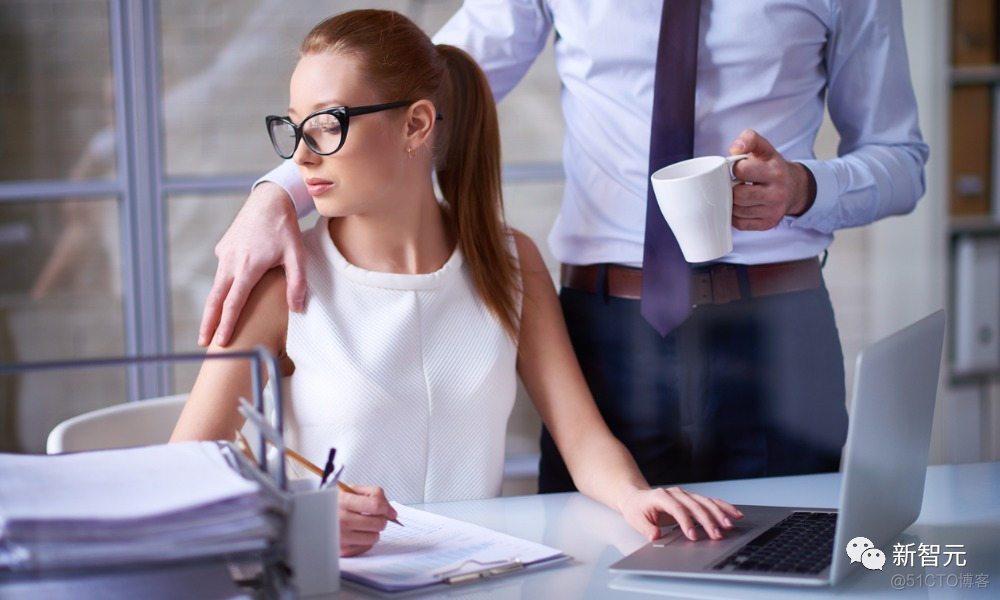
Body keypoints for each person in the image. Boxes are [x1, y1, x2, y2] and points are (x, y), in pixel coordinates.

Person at [197, 2, 929, 493]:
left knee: (798, 558)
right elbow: (408, 84)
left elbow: (902, 157)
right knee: (602, 561)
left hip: (779, 329)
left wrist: (804, 187)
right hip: (609, 333)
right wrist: (276, 190)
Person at [171, 9, 741, 557]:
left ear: (416, 124)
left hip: (480, 579)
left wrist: (633, 495)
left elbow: (583, 438)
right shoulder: (280, 282)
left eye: (326, 125)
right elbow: (179, 471)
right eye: (294, 127)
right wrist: (294, 513)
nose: (301, 154)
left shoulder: (510, 262)